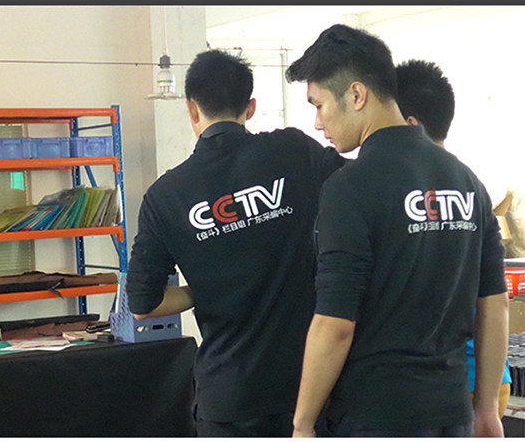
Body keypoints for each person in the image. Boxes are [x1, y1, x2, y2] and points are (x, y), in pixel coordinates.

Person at [285, 24, 508, 437]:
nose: (317, 123)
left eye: (319, 105)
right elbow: (494, 305)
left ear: (356, 95)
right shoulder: (466, 181)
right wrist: (487, 408)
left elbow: (335, 324)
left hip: (376, 416)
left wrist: (303, 422)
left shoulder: (350, 187)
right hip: (451, 413)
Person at [125, 48, 345, 437]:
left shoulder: (166, 196)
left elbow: (143, 304)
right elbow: (364, 189)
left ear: (191, 109)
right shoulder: (294, 152)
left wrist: (205, 289)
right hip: (309, 389)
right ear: (251, 106)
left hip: (229, 398)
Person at [395, 58, 512, 419]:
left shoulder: (405, 196)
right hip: (490, 379)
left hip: (452, 383)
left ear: (410, 125)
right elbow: (496, 301)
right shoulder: (470, 186)